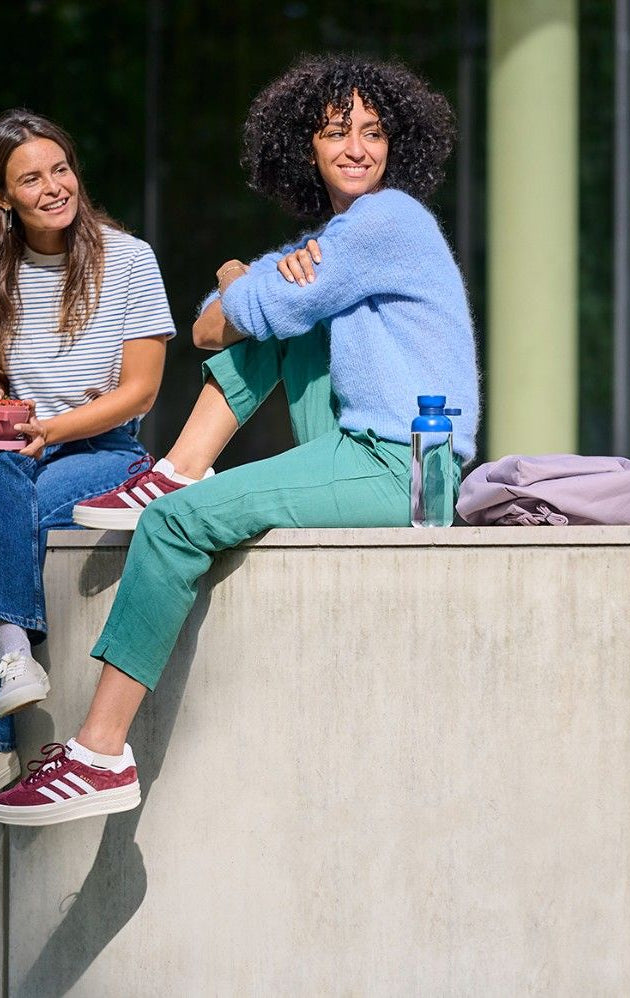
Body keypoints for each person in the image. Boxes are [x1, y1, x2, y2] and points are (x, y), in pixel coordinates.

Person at [0, 55, 479, 825]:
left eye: (374, 131)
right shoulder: (337, 240)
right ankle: (181, 467)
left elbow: (225, 313)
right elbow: (214, 327)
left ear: (398, 143)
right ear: (307, 147)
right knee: (284, 325)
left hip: (402, 465)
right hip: (362, 442)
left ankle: (98, 752)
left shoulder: (388, 221)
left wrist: (237, 275)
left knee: (174, 524)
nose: (358, 147)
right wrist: (253, 292)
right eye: (336, 132)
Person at [0, 110, 173, 791]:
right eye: (30, 178)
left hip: (103, 448)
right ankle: (12, 656)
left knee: (24, 506)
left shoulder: (128, 259)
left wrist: (54, 430)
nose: (53, 187)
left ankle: (7, 707)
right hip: (16, 448)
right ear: (5, 198)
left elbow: (141, 392)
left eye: (60, 169)